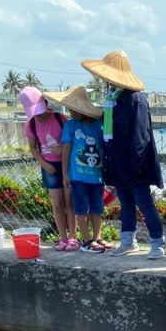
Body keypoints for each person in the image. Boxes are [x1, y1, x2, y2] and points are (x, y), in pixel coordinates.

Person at [81, 50, 166, 259]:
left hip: (134, 164)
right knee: (126, 203)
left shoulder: (136, 99)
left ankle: (158, 241)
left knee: (144, 203)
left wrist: (135, 167)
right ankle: (128, 241)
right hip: (116, 161)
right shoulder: (113, 99)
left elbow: (140, 137)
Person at [42, 86, 109, 254]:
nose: (73, 111)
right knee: (81, 208)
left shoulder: (99, 125)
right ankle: (86, 240)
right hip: (78, 176)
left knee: (97, 208)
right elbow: (66, 149)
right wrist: (65, 173)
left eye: (76, 108)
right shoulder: (71, 125)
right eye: (71, 108)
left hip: (97, 176)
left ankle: (97, 237)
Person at [19, 87, 77, 251]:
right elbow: (33, 148)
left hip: (67, 165)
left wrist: (61, 146)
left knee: (69, 202)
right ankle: (63, 238)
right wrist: (44, 164)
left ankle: (73, 237)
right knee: (57, 204)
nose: (38, 114)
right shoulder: (30, 125)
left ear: (45, 103)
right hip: (49, 167)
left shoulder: (60, 118)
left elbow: (71, 139)